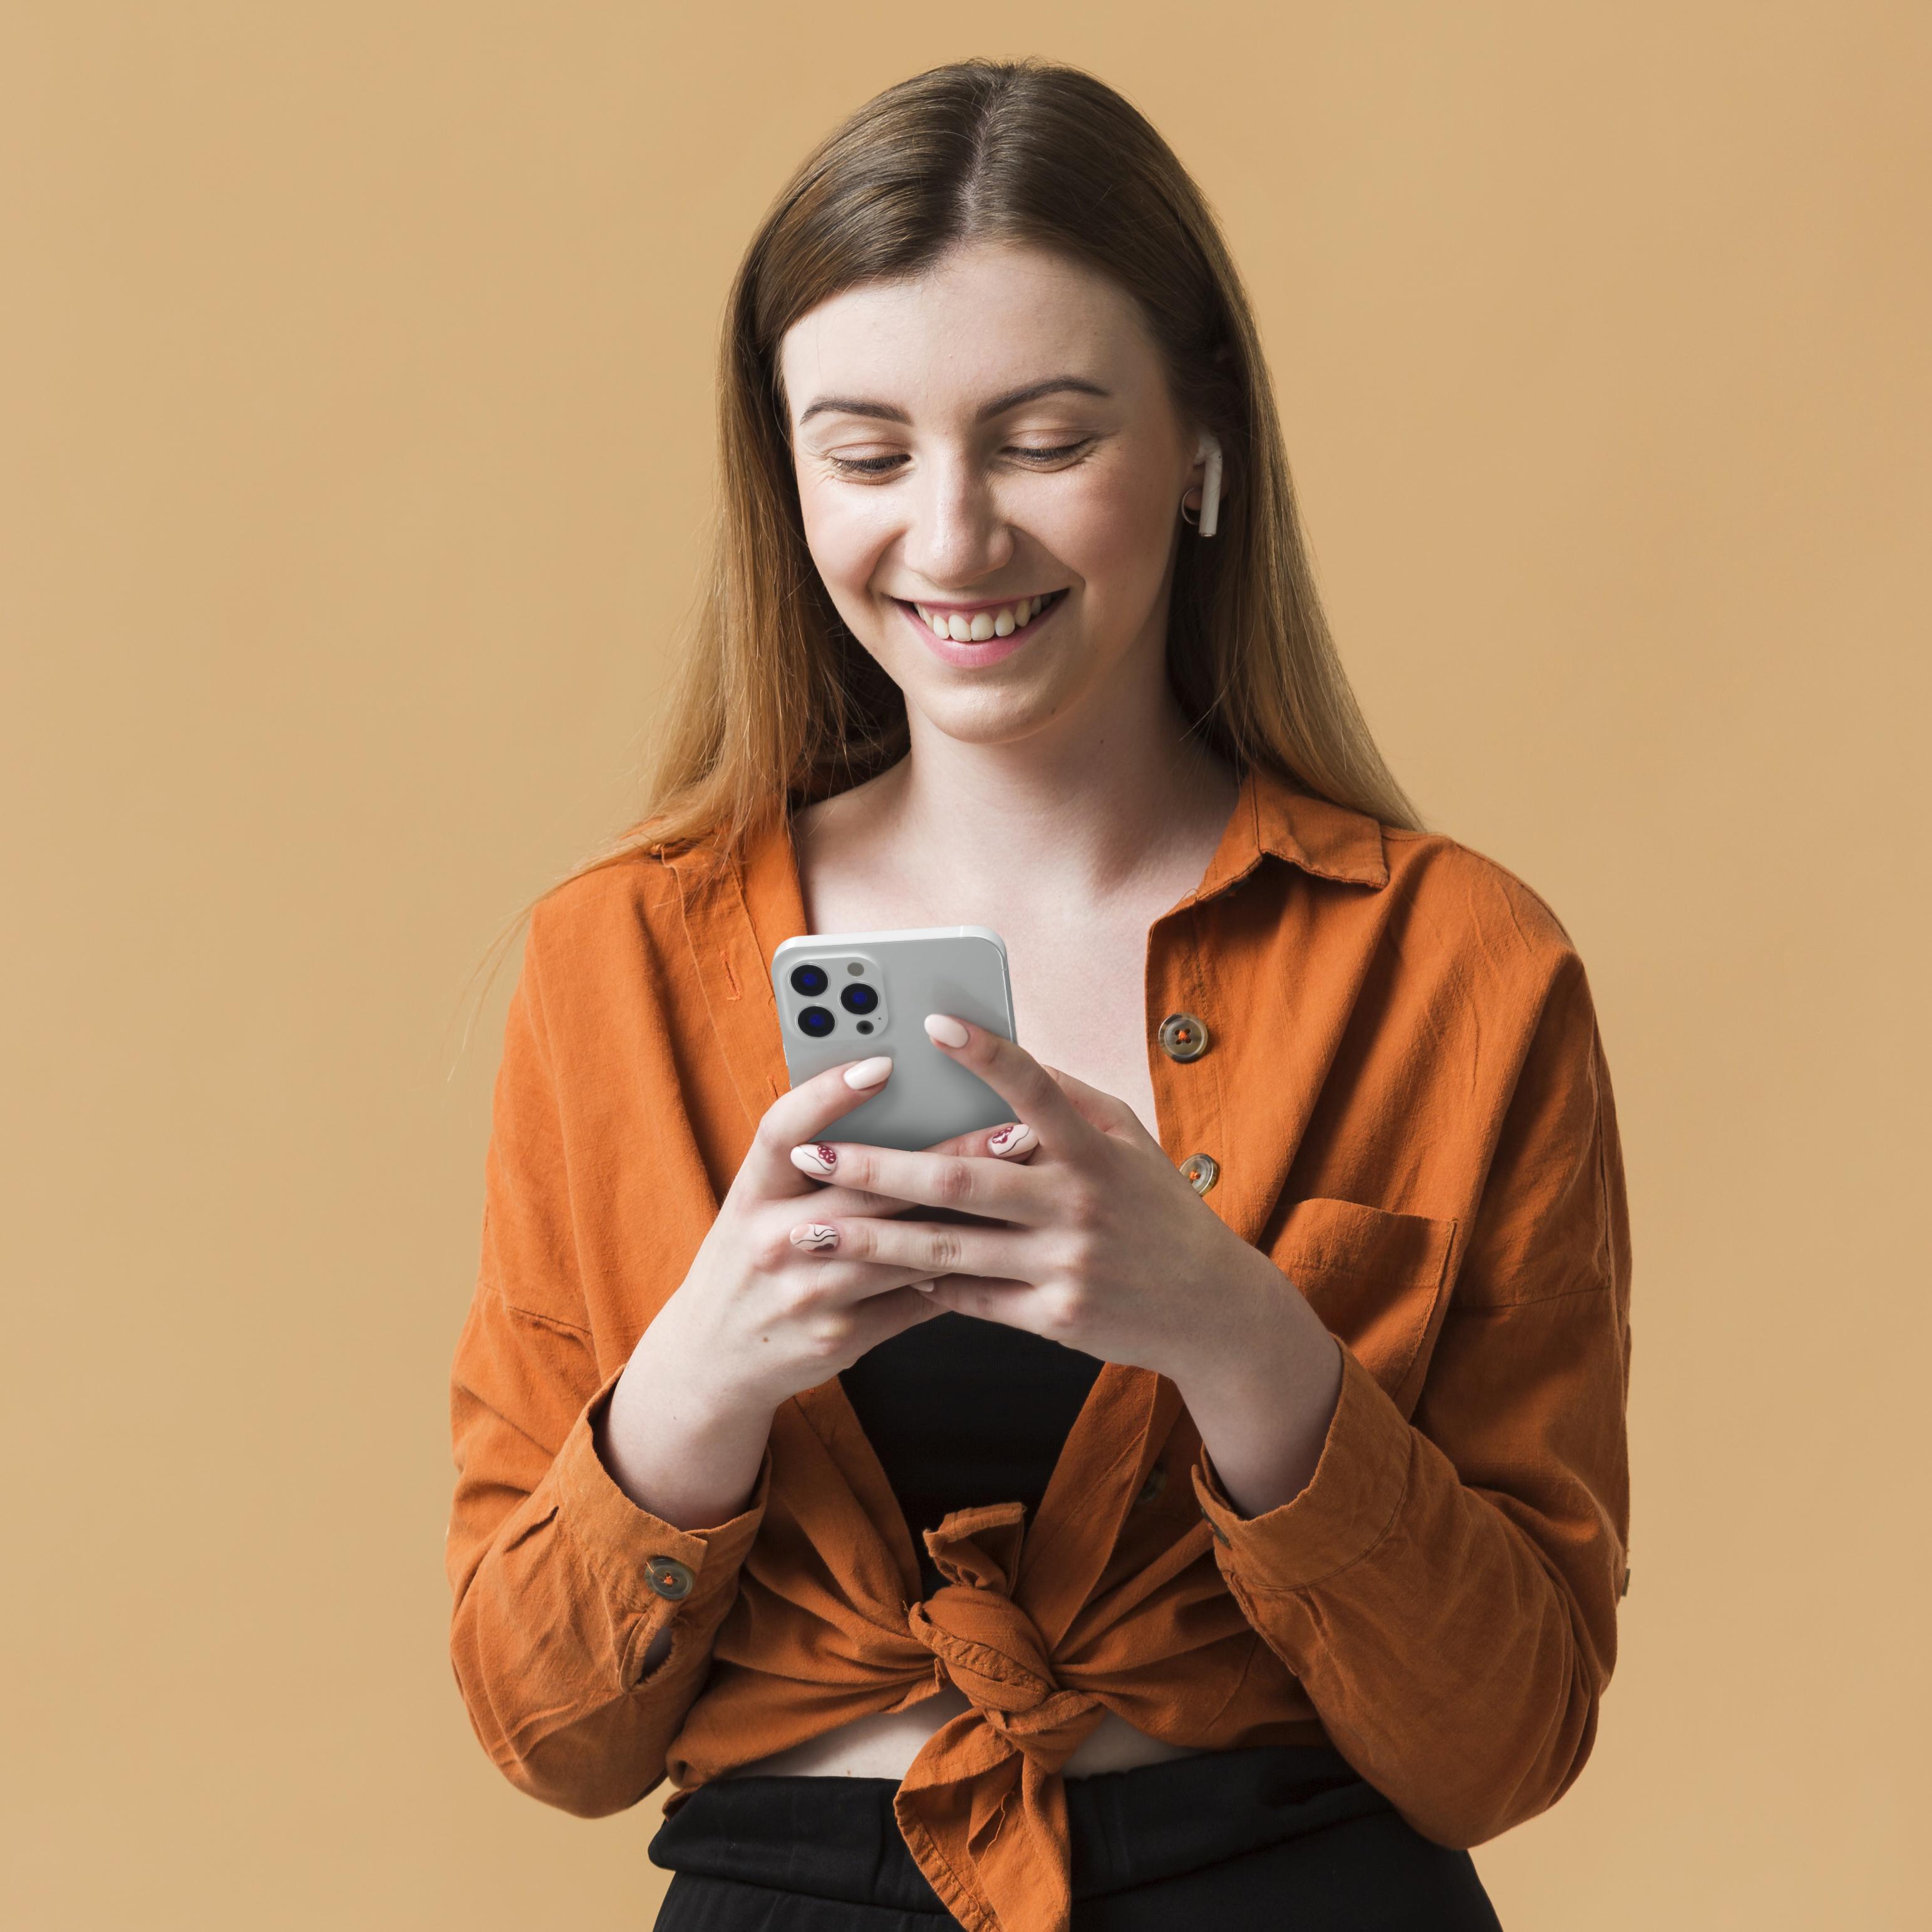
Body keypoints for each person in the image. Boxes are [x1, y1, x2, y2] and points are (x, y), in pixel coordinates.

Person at [445, 56, 1632, 1932]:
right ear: (786, 477)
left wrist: (1233, 1332)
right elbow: (547, 1733)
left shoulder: (1460, 966)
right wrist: (708, 1373)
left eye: (1046, 440)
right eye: (867, 454)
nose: (952, 538)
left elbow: (1506, 1744)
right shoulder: (616, 963)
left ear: (1204, 440)